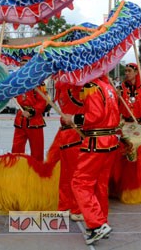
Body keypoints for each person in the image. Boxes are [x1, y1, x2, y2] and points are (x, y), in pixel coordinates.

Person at [62, 75, 119, 245]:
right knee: (100, 184)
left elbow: (94, 115)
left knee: (80, 182)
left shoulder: (91, 86)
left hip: (96, 142)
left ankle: (97, 224)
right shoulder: (107, 87)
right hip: (109, 140)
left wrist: (72, 119)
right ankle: (102, 221)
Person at [54, 81, 84, 222]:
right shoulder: (76, 87)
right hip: (74, 134)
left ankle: (64, 206)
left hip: (67, 135)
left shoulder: (61, 86)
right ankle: (76, 208)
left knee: (66, 175)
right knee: (75, 175)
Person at [12, 57, 48, 162]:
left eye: (25, 65)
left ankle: (37, 173)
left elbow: (42, 102)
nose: (23, 67)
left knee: (37, 151)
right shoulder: (17, 82)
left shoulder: (38, 82)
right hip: (20, 118)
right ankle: (16, 171)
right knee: (16, 149)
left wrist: (32, 111)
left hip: (34, 120)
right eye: (21, 65)